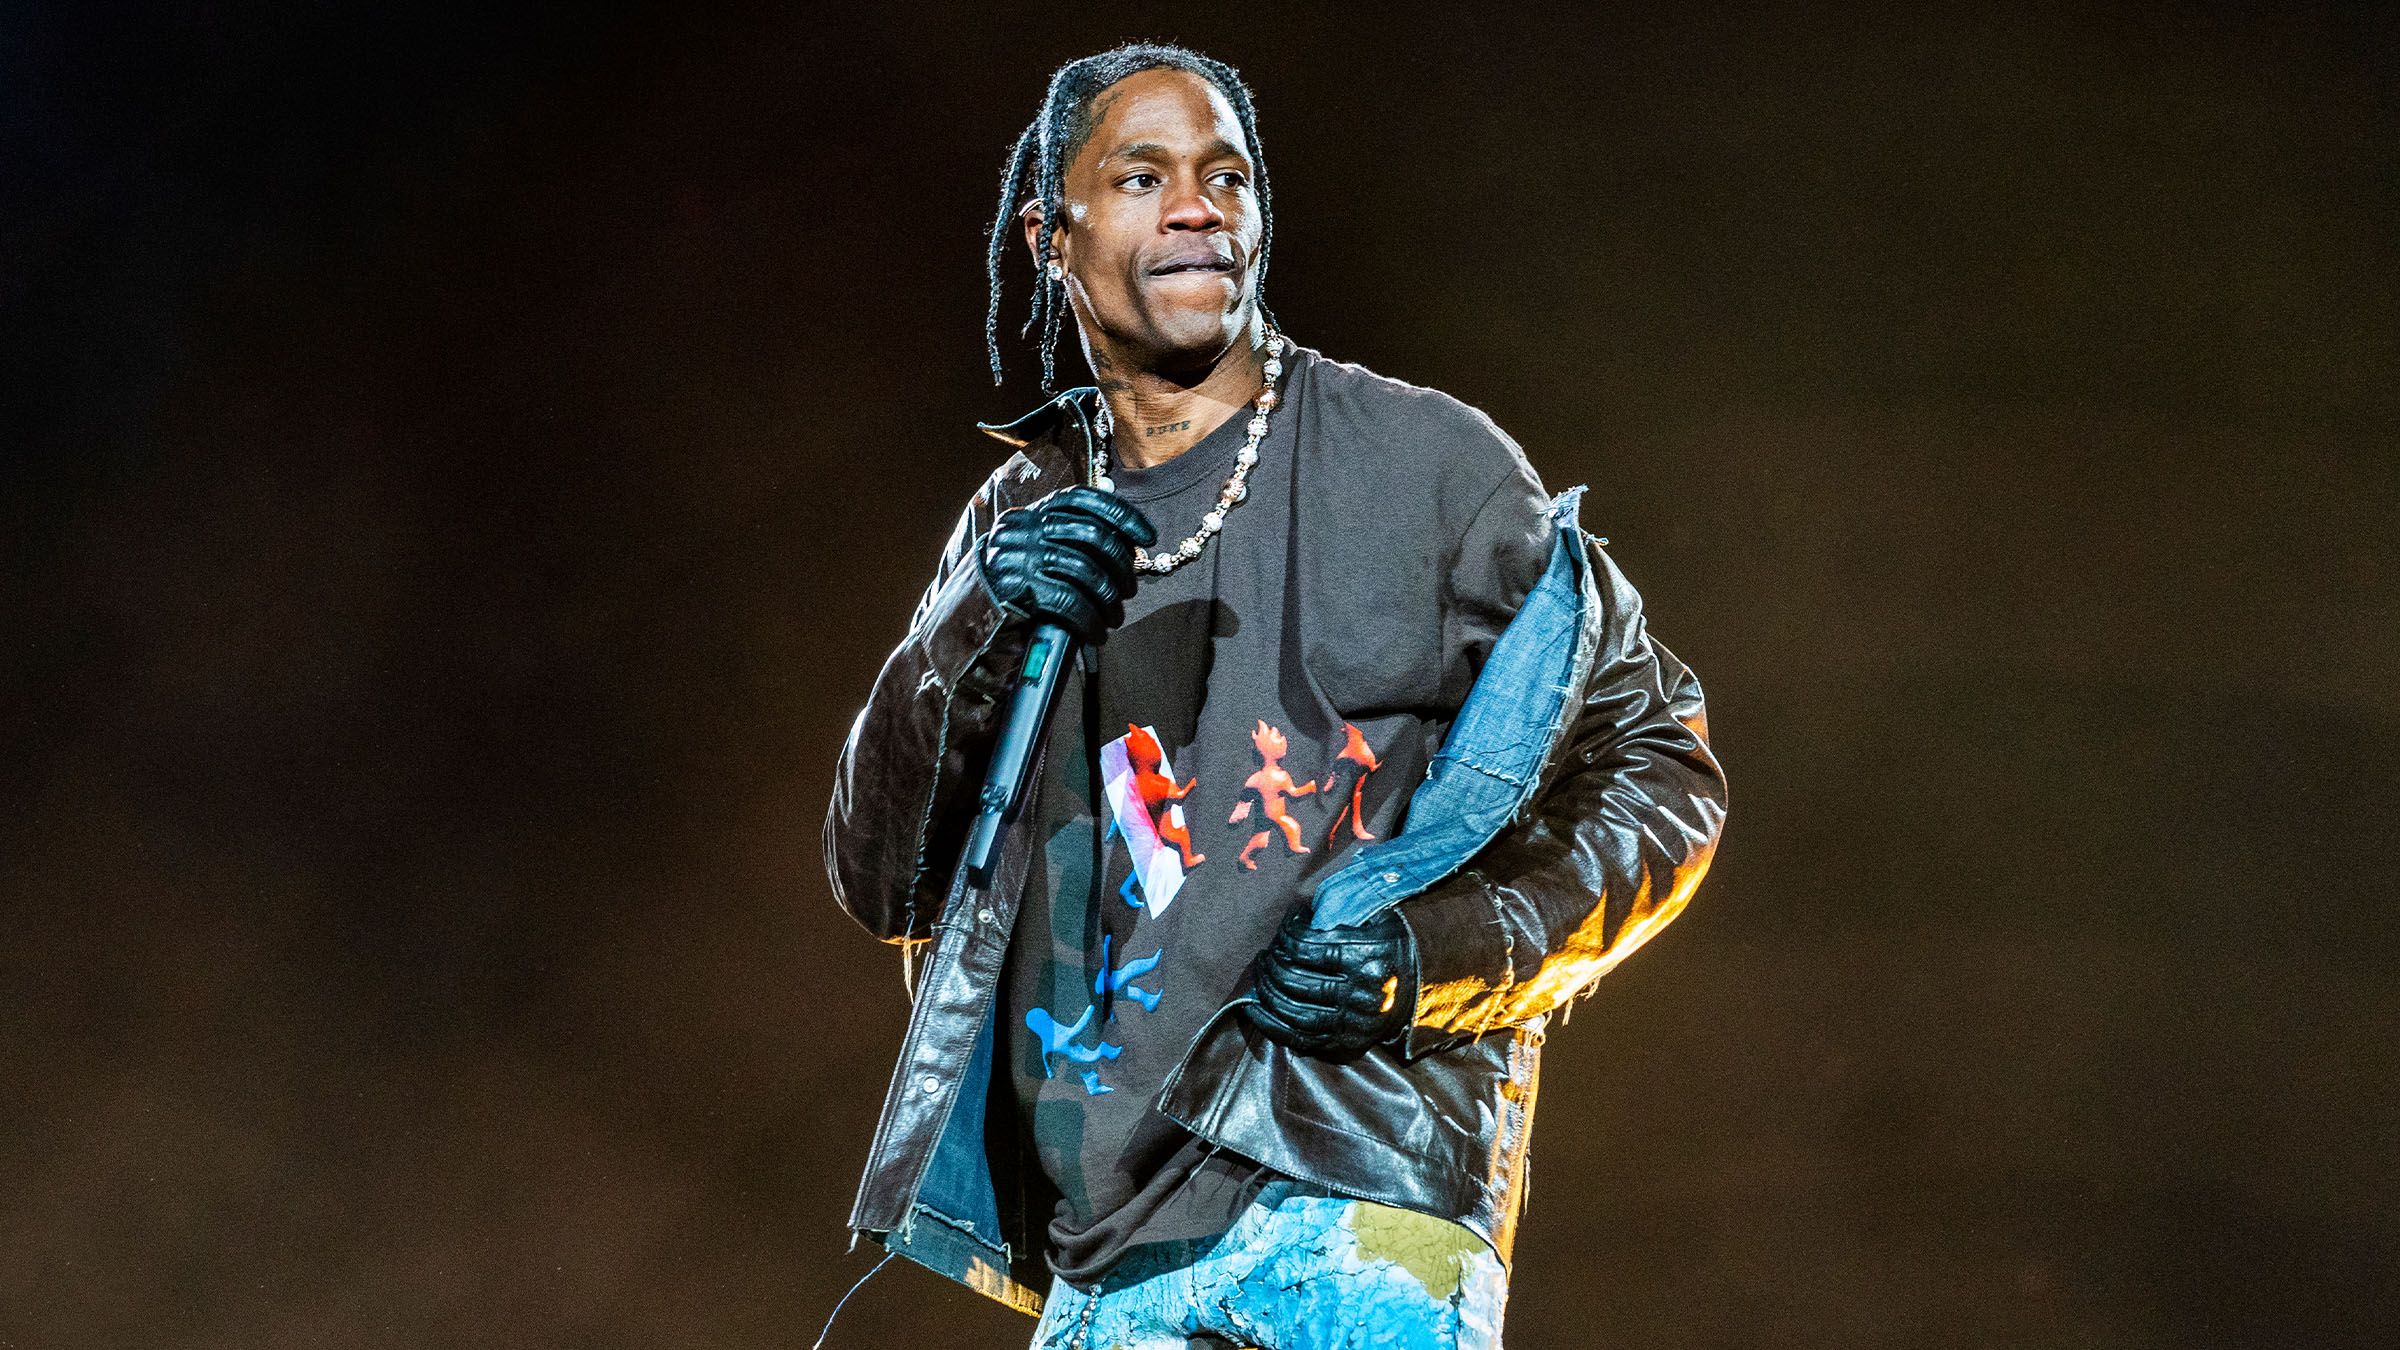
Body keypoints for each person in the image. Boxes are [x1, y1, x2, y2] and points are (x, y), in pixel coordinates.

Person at [822, 43, 1727, 1350]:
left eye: (1226, 176)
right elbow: (878, 877)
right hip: (1105, 1252)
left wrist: (1435, 957)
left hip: (1357, 1205)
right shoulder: (1020, 516)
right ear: (1050, 234)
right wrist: (978, 617)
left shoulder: (1425, 469)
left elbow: (1660, 769)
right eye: (1143, 177)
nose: (1196, 208)